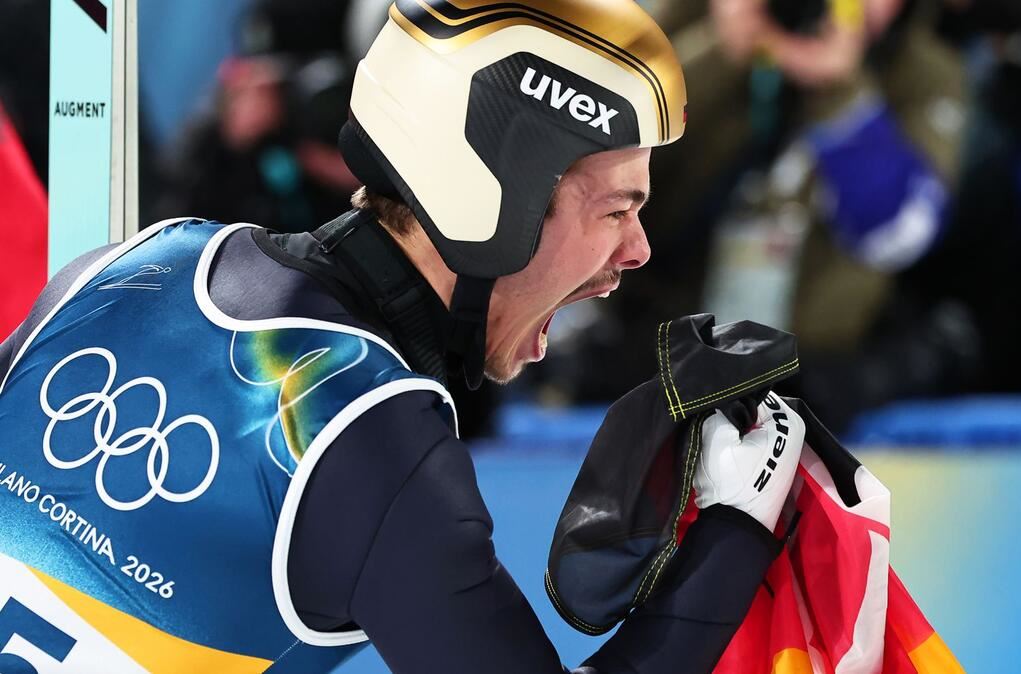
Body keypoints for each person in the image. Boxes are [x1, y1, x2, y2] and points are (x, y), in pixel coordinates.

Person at [0, 2, 804, 672]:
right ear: (498, 197)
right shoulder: (367, 436)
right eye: (617, 210)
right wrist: (736, 529)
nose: (637, 252)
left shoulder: (131, 261)